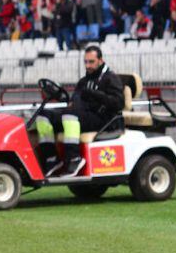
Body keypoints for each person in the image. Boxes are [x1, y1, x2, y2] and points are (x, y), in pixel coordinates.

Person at [35, 46, 125, 176]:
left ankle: (74, 158)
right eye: (86, 62)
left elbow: (118, 103)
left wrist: (95, 94)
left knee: (69, 116)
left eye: (91, 62)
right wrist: (60, 98)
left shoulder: (111, 78)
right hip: (83, 116)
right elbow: (73, 101)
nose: (87, 65)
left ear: (100, 60)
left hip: (103, 119)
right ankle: (51, 158)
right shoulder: (84, 81)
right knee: (43, 116)